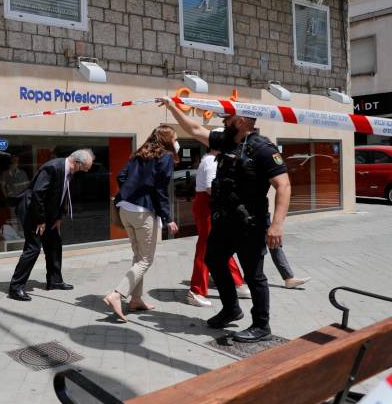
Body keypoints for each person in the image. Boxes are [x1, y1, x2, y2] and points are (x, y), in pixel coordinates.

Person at [158, 97, 291, 343]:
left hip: (250, 223)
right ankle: (231, 309)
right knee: (214, 259)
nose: (224, 121)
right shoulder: (227, 141)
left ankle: (262, 325)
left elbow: (283, 185)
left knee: (254, 275)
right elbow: (195, 129)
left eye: (228, 118)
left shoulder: (264, 149)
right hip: (225, 221)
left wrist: (277, 225)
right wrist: (171, 106)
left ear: (240, 121)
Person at [102, 125, 180, 322]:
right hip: (142, 212)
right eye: (175, 137)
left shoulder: (139, 154)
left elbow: (121, 177)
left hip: (125, 209)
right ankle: (117, 295)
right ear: (167, 140)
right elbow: (160, 189)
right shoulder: (166, 157)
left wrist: (131, 190)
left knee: (138, 257)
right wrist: (168, 218)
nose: (177, 141)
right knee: (146, 260)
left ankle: (136, 299)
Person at [7, 149, 95, 301]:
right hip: (32, 211)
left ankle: (54, 281)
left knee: (54, 243)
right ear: (76, 162)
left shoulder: (69, 171)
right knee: (33, 248)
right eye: (85, 168)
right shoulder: (52, 167)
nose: (85, 171)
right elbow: (37, 194)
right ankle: (16, 288)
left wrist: (59, 217)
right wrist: (40, 220)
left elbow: (62, 194)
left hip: (48, 214)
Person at [187, 140, 252, 308]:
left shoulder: (213, 160)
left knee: (220, 243)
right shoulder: (210, 161)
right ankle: (196, 290)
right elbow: (211, 188)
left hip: (211, 204)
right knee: (206, 245)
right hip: (208, 204)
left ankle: (237, 281)